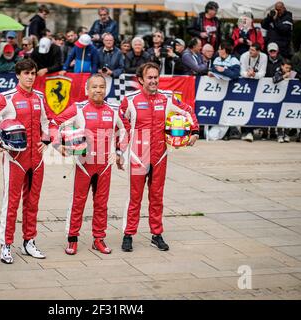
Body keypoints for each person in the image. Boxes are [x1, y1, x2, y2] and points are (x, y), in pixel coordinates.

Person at [119, 62, 199, 252]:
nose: (154, 81)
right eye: (150, 77)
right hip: (138, 156)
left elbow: (187, 110)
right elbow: (121, 126)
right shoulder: (130, 100)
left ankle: (157, 234)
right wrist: (119, 151)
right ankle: (128, 234)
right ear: (141, 80)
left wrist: (194, 131)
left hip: (160, 155)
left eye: (156, 77)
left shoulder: (168, 98)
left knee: (157, 197)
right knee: (135, 198)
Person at [0, 59, 51, 263]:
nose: (30, 77)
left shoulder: (40, 97)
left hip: (36, 160)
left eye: (33, 73)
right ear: (18, 75)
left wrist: (47, 139)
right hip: (15, 159)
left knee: (33, 202)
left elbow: (48, 121)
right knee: (11, 203)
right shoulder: (6, 97)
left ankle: (29, 242)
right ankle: (6, 245)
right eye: (26, 73)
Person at [48, 74, 126, 255]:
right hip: (84, 164)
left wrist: (120, 152)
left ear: (105, 89)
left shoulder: (113, 110)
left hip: (105, 165)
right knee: (78, 202)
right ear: (86, 89)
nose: (98, 90)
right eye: (94, 87)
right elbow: (54, 123)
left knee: (102, 203)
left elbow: (125, 128)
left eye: (101, 87)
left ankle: (98, 239)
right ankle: (72, 239)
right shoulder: (78, 108)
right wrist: (58, 144)